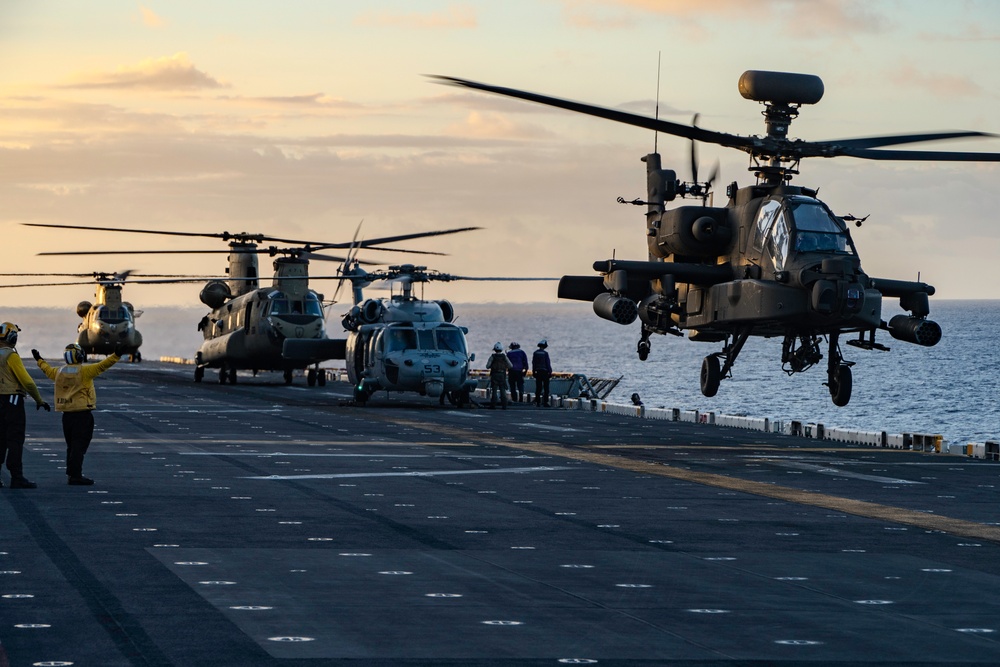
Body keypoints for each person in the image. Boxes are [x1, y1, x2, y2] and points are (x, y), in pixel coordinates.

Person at [33, 343, 121, 486]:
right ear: (80, 356)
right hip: (82, 414)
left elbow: (47, 370)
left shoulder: (59, 372)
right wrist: (116, 355)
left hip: (66, 415)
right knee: (79, 445)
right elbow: (103, 365)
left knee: (71, 445)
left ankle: (72, 473)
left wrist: (39, 360)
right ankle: (76, 475)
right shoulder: (84, 371)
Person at [0, 322, 50, 489]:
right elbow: (27, 382)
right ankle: (17, 476)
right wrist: (39, 400)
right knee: (14, 438)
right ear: (12, 337)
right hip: (12, 400)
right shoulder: (10, 356)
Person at [485, 342, 512, 409]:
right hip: (502, 375)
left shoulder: (492, 357)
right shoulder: (504, 357)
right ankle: (504, 405)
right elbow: (510, 365)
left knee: (494, 390)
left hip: (494, 375)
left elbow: (487, 366)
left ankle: (493, 405)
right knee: (503, 390)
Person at [532, 339, 552, 407]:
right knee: (546, 388)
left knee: (538, 387)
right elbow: (548, 363)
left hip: (538, 372)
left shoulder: (535, 353)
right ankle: (545, 402)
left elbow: (533, 363)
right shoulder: (545, 353)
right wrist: (550, 372)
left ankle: (537, 402)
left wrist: (533, 371)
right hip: (545, 372)